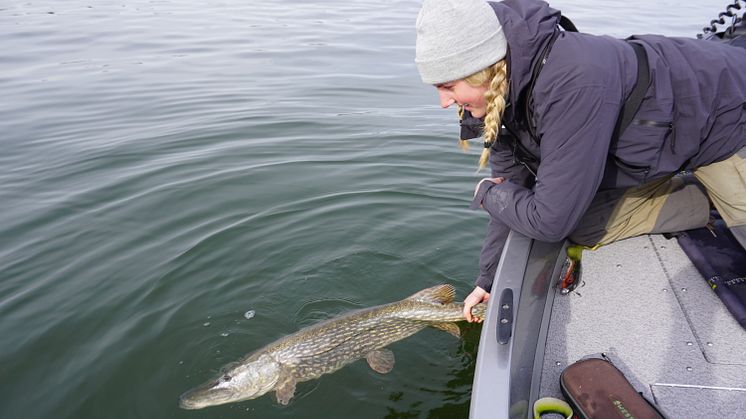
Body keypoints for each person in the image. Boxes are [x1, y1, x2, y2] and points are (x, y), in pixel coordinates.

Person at [414, 0, 746, 321]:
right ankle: (702, 198)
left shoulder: (573, 81)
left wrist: (488, 194)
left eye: (447, 86)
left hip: (727, 122)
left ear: (481, 70)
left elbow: (542, 217)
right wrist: (488, 280)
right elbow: (513, 184)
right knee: (579, 224)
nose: (443, 102)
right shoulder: (498, 96)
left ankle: (720, 188)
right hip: (659, 141)